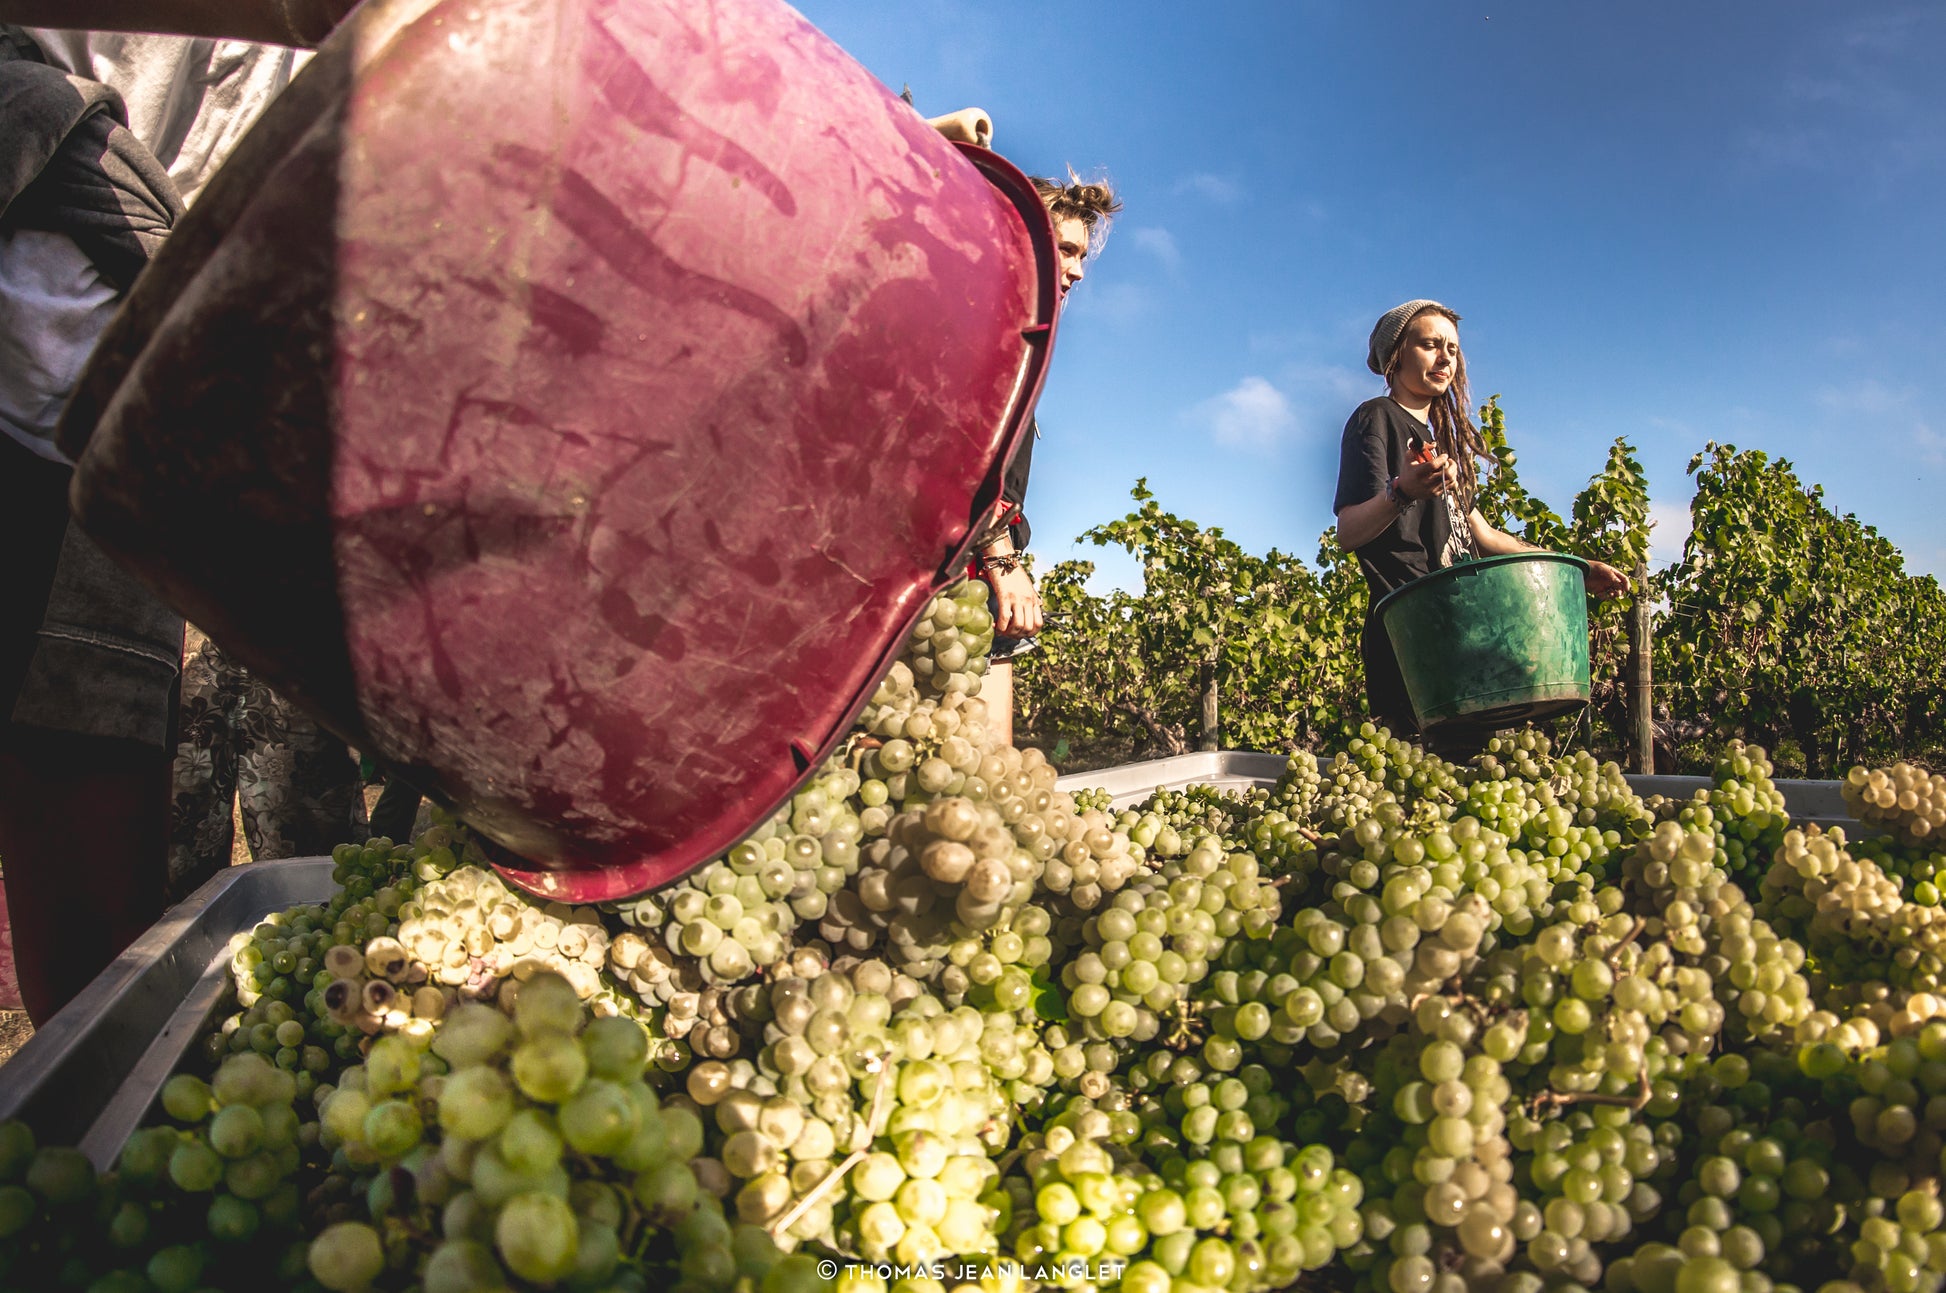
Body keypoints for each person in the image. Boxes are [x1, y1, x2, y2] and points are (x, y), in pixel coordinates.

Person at [0, 12, 345, 1020]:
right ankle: (112, 1058)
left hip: (248, 353)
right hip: (91, 310)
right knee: (96, 727)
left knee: (292, 782)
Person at [1332, 299, 1629, 756]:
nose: (1446, 357)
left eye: (1452, 348)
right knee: (1418, 787)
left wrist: (1577, 569)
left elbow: (1485, 538)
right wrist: (1402, 491)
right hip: (1411, 641)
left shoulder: (1442, 442)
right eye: (1431, 344)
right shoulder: (1375, 419)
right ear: (1395, 356)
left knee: (1469, 784)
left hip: (1463, 638)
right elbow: (1349, 532)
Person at [973, 170, 1121, 748]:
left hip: (981, 593)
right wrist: (1002, 563)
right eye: (1065, 249)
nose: (1079, 271)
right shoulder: (982, 331)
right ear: (1020, 236)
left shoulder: (1022, 340)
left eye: (1083, 255)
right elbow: (960, 464)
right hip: (954, 585)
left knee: (986, 774)